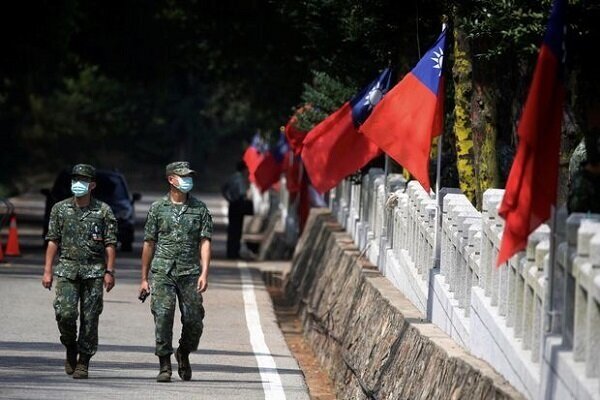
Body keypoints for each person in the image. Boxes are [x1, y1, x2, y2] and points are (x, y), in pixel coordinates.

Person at [42, 163, 117, 379]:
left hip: (94, 272)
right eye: (75, 180)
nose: (78, 184)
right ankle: (70, 346)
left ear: (92, 185)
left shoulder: (103, 211)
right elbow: (53, 241)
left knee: (90, 317)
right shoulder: (60, 209)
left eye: (83, 181)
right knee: (65, 314)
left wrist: (109, 271)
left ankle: (83, 361)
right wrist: (47, 270)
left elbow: (110, 244)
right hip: (67, 270)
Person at [139, 161, 213, 382]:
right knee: (163, 315)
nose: (187, 180)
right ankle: (164, 364)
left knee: (194, 320)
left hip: (189, 272)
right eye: (183, 176)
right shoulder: (157, 209)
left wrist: (204, 272)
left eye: (189, 176)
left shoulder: (199, 209)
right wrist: (144, 278)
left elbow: (205, 242)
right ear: (171, 179)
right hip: (163, 272)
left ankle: (183, 352)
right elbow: (149, 244)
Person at [221, 160, 253, 259]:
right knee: (237, 230)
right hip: (239, 205)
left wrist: (228, 198)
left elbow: (223, 188)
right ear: (244, 169)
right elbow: (243, 193)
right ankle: (235, 252)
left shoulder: (232, 177)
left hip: (232, 204)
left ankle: (230, 252)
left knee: (231, 230)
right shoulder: (241, 179)